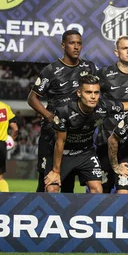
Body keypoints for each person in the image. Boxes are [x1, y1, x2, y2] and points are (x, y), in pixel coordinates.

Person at [28, 30, 98, 193]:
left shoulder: (89, 67)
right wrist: (49, 116)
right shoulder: (51, 70)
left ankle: (65, 216)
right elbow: (32, 98)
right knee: (45, 180)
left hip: (75, 135)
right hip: (52, 133)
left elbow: (105, 81)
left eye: (79, 43)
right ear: (63, 45)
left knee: (68, 184)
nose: (76, 47)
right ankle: (40, 214)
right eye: (72, 43)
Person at [44, 75, 125, 193]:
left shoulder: (102, 106)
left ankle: (91, 212)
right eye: (88, 92)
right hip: (63, 154)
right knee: (52, 189)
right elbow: (60, 142)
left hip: (85, 153)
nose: (93, 96)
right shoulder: (64, 111)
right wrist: (56, 171)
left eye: (96, 93)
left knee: (97, 190)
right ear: (79, 93)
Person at [96, 35, 128, 193]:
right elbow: (95, 102)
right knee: (102, 188)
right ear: (116, 52)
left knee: (127, 190)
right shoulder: (104, 74)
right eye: (125, 48)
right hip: (106, 138)